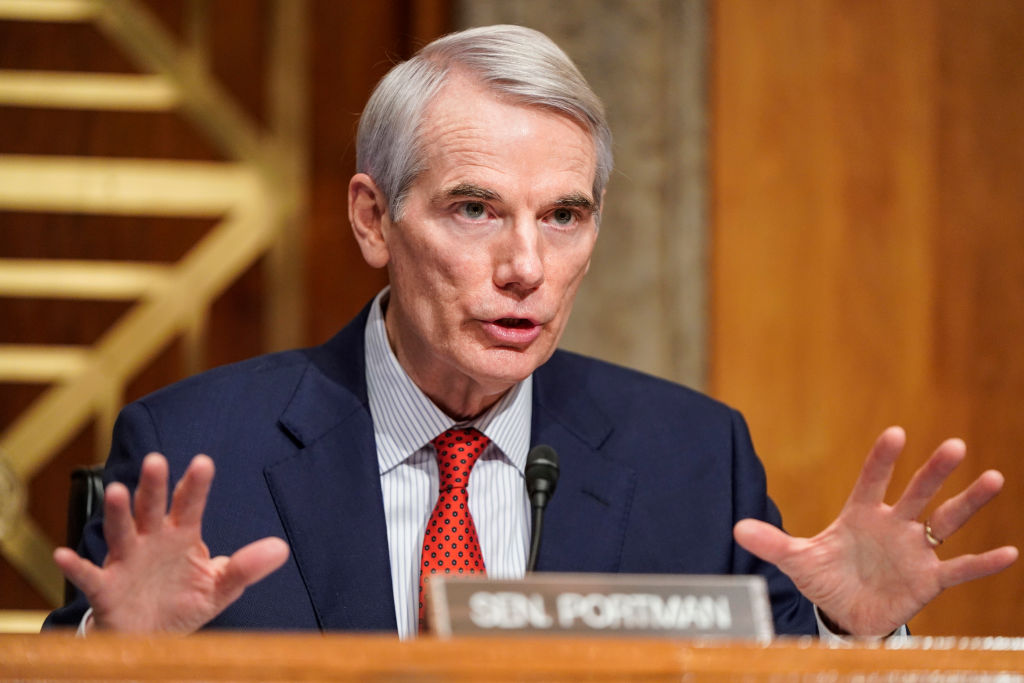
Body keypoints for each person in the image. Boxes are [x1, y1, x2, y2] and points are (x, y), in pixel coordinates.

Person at [45, 24, 1016, 639]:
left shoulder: (690, 457)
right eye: (474, 209)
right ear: (374, 219)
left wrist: (850, 636)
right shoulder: (197, 448)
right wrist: (113, 655)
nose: (526, 265)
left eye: (563, 215)